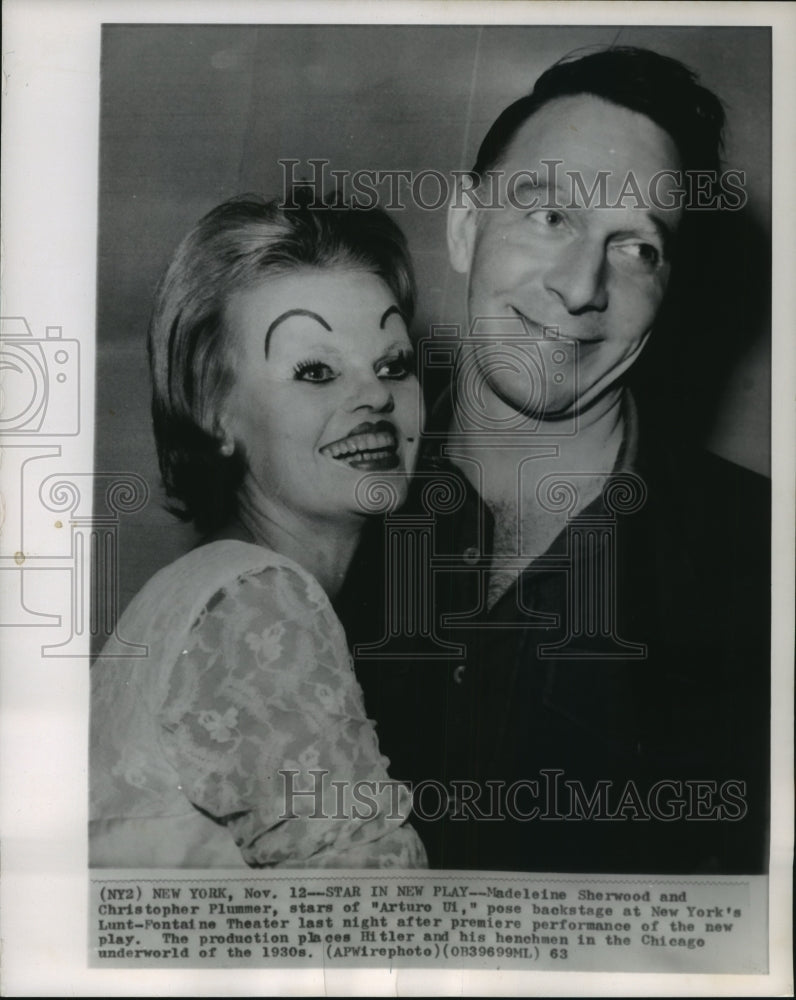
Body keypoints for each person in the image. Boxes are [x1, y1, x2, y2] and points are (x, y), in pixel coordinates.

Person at [340, 47, 770, 874]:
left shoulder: (761, 559)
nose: (581, 287)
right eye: (550, 217)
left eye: (637, 248)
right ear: (466, 226)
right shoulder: (318, 501)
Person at [90, 193, 427, 869]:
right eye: (315, 371)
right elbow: (376, 932)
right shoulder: (254, 602)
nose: (375, 396)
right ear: (214, 409)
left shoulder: (209, 592)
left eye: (392, 364)